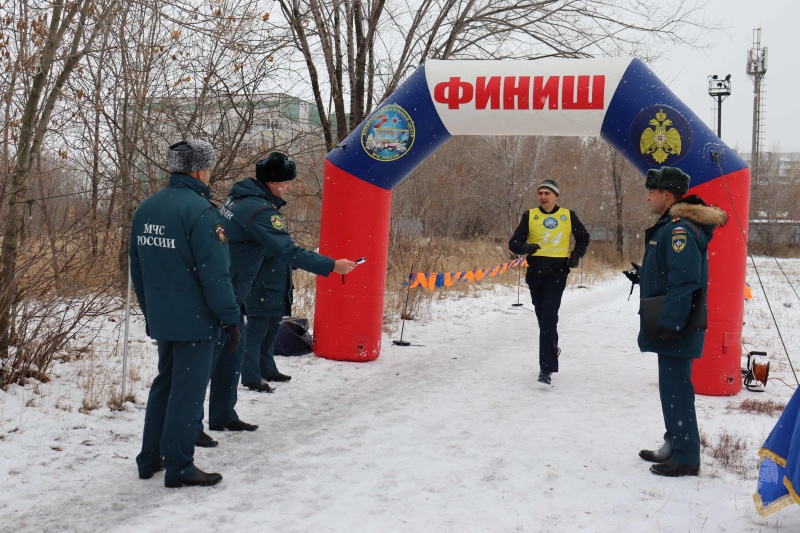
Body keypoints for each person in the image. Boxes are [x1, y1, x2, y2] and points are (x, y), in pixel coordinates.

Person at [205, 151, 356, 430]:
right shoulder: (259, 209)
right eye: (287, 182)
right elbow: (286, 249)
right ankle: (204, 422)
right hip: (231, 288)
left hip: (229, 284)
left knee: (229, 352)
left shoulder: (240, 199)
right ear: (273, 182)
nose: (289, 187)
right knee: (223, 353)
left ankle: (223, 416)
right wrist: (332, 265)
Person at [130, 139, 241, 488]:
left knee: (165, 384)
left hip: (164, 315)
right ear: (198, 170)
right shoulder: (202, 212)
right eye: (207, 167)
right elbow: (215, 273)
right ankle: (179, 466)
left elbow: (138, 268)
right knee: (187, 392)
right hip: (196, 318)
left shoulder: (147, 209)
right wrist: (229, 317)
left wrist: (151, 310)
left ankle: (150, 457)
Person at [625, 166, 727, 477]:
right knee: (671, 388)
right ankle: (674, 442)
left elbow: (685, 281)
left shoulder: (680, 229)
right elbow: (670, 272)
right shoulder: (672, 225)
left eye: (651, 192)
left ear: (666, 194)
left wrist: (671, 324)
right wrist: (643, 275)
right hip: (673, 323)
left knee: (677, 389)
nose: (648, 197)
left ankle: (685, 456)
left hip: (677, 327)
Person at [508, 179, 590, 386]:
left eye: (547, 193)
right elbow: (514, 243)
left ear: (556, 196)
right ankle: (552, 347)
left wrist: (576, 255)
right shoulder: (530, 216)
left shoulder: (568, 216)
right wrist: (526, 248)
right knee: (542, 315)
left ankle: (546, 369)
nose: (543, 197)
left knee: (548, 318)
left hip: (557, 273)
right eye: (540, 193)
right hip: (535, 273)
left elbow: (584, 237)